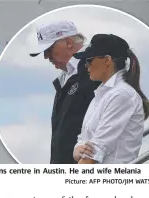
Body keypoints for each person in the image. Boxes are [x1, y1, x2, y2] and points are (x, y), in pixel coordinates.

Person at [73, 34, 149, 164]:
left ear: (107, 60)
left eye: (89, 60)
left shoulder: (121, 95)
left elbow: (93, 153)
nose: (86, 65)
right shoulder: (102, 95)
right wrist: (77, 150)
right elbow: (83, 140)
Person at [29, 21, 100, 164]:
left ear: (68, 43)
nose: (45, 56)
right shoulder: (65, 77)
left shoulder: (93, 68)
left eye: (48, 49)